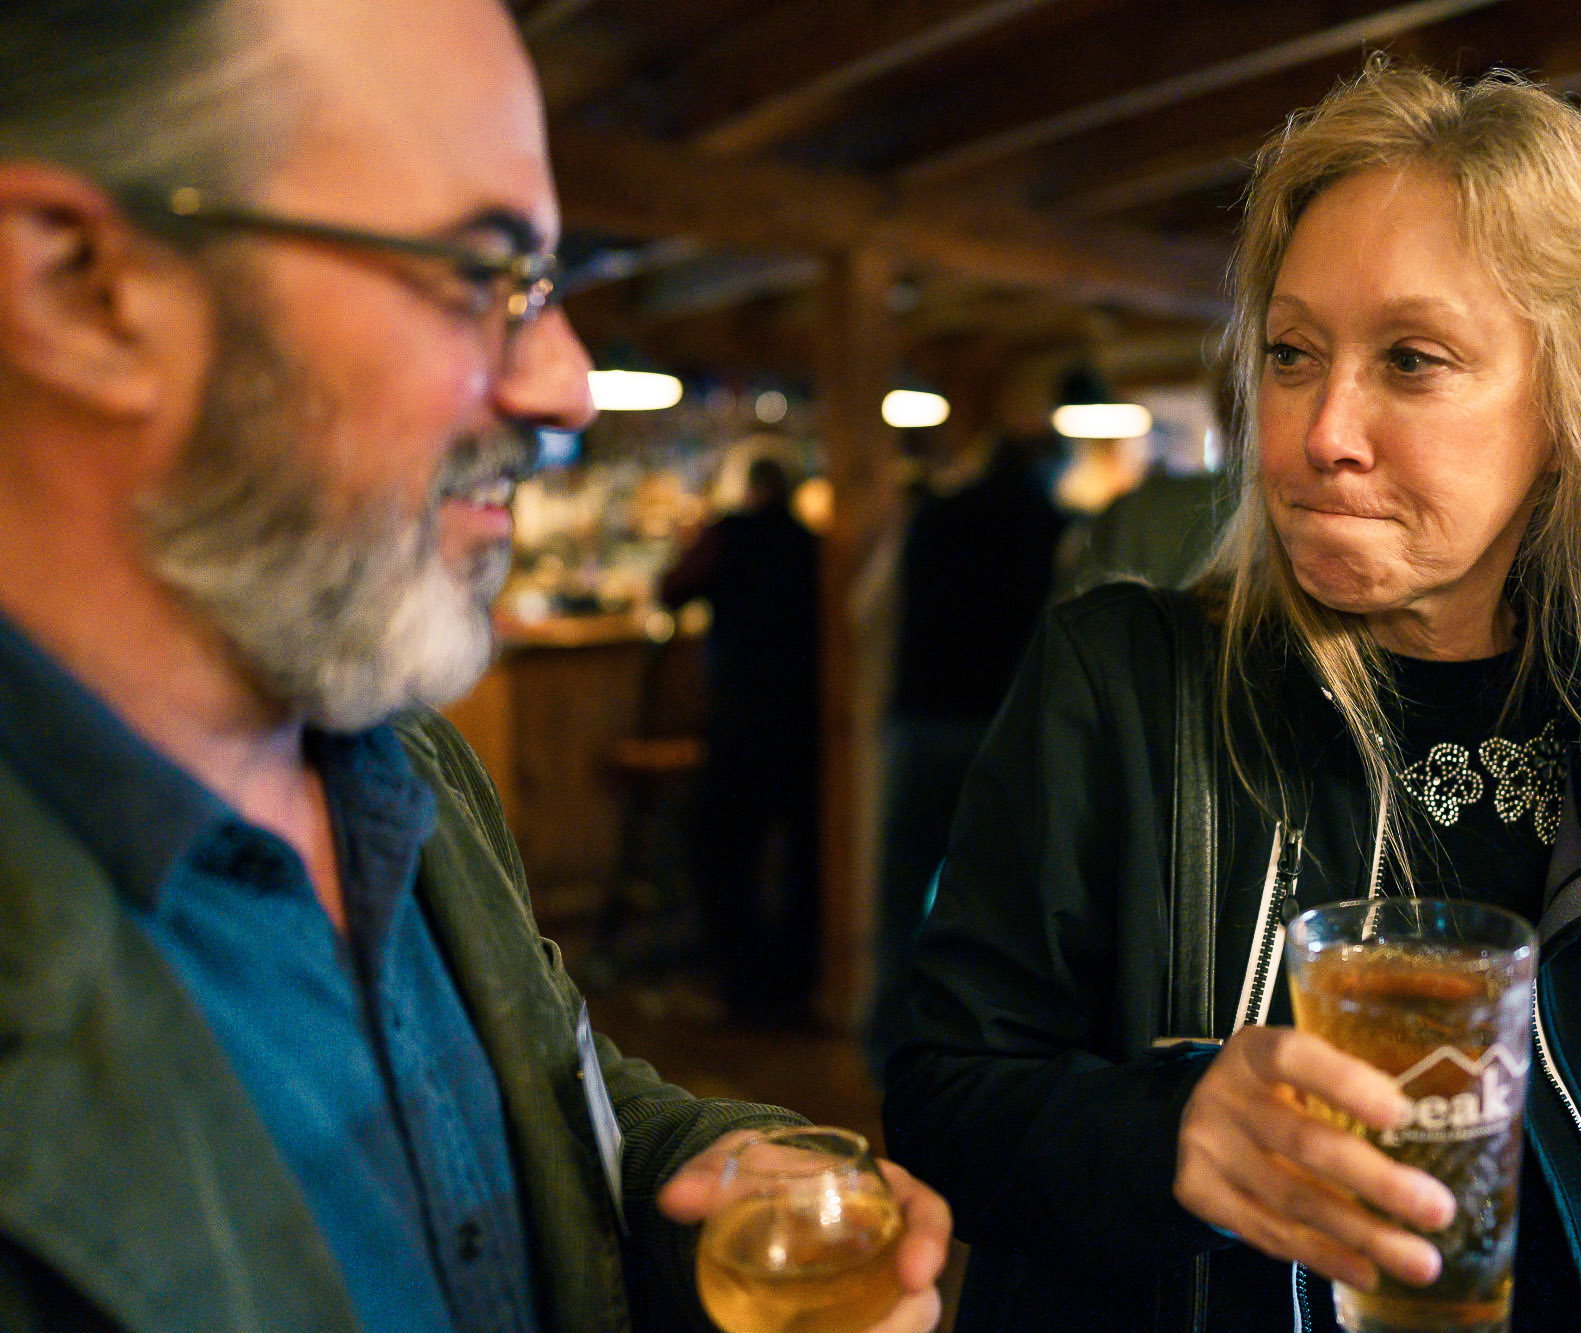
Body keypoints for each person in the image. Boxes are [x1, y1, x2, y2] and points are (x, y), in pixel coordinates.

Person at [0, 1, 945, 1330]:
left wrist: (706, 1185)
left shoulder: (405, 761)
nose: (568, 386)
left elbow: (551, 1110)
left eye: (543, 289)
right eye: (477, 272)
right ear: (83, 290)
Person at [884, 62, 1581, 1332]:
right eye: (1291, 354)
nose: (1320, 431)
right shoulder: (1123, 685)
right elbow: (939, 1090)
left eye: (1411, 359)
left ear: (1570, 407)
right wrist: (1169, 1133)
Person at [865, 426, 1071, 1077]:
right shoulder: (1052, 525)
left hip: (923, 716)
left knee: (903, 888)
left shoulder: (934, 514)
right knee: (998, 900)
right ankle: (971, 1054)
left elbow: (870, 605)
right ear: (1044, 468)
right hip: (1005, 725)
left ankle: (888, 1042)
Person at [659, 454, 821, 1026]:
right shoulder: (812, 543)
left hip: (742, 720)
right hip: (807, 723)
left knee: (721, 850)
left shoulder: (729, 533)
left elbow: (671, 589)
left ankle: (742, 983)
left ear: (750, 490)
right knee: (803, 858)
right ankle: (794, 982)